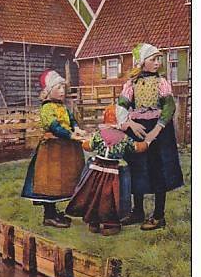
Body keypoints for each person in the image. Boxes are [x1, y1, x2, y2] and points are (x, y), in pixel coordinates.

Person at [118, 43, 184, 230]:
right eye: (153, 59)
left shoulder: (161, 83)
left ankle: (158, 215)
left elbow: (169, 107)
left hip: (158, 131)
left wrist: (156, 130)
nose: (158, 63)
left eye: (158, 59)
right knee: (137, 169)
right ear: (141, 62)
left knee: (157, 169)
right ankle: (137, 211)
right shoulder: (132, 84)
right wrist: (129, 123)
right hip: (137, 129)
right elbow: (122, 106)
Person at [66, 104, 148, 236]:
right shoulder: (124, 138)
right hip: (114, 172)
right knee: (111, 197)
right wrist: (148, 142)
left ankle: (94, 222)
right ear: (119, 122)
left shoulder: (99, 134)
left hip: (97, 170)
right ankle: (111, 224)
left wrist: (84, 141)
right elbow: (137, 148)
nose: (128, 124)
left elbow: (88, 146)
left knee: (95, 194)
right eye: (126, 121)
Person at [21, 69, 85, 228]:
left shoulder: (63, 107)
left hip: (65, 149)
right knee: (50, 181)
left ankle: (55, 212)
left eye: (63, 88)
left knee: (63, 180)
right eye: (58, 88)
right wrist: (70, 136)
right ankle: (48, 215)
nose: (62, 91)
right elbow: (54, 126)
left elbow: (71, 120)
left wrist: (76, 128)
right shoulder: (47, 108)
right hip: (52, 151)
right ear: (49, 91)